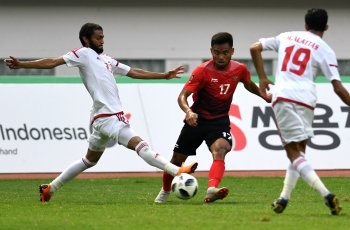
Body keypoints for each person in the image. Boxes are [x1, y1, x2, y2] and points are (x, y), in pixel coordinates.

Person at [5, 22, 198, 203]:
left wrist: (164, 75)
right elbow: (53, 62)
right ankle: (178, 171)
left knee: (89, 160)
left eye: (103, 37)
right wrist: (22, 64)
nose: (102, 40)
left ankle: (50, 188)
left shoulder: (106, 60)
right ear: (86, 40)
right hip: (108, 117)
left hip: (100, 118)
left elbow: (133, 72)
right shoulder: (83, 53)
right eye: (98, 37)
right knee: (141, 146)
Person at [250, 8, 349, 215]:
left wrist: (262, 78)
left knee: (293, 152)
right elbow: (338, 88)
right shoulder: (325, 49)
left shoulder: (287, 36)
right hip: (308, 101)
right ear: (326, 27)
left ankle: (327, 195)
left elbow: (254, 48)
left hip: (284, 97)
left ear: (305, 25)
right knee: (299, 153)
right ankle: (284, 198)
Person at [154, 32, 271, 204]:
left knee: (221, 149)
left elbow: (248, 84)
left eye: (224, 52)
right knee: (177, 160)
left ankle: (211, 189)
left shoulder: (240, 69)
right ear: (211, 51)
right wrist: (188, 112)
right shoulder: (202, 71)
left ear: (232, 51)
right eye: (216, 52)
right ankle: (165, 191)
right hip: (197, 120)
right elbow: (182, 96)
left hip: (219, 121)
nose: (220, 56)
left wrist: (263, 95)